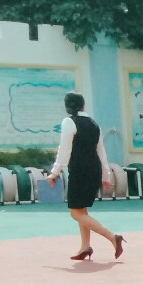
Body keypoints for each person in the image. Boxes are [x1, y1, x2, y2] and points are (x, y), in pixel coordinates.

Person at [45, 91, 125, 262]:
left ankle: (112, 237)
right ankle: (85, 247)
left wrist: (54, 172)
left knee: (75, 212)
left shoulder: (69, 122)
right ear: (83, 105)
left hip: (79, 171)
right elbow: (101, 152)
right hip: (94, 170)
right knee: (82, 210)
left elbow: (64, 150)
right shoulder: (94, 124)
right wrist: (106, 175)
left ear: (67, 106)